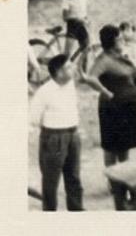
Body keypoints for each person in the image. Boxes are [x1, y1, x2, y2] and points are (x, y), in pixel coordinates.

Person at [83, 24, 136, 209]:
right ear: (112, 41)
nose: (122, 40)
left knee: (125, 146)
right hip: (113, 109)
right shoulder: (104, 59)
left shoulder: (120, 56)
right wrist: (105, 91)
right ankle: (114, 185)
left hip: (127, 107)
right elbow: (90, 77)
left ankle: (125, 180)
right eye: (119, 38)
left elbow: (134, 74)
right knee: (112, 147)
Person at [31, 54, 85, 211]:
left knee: (74, 178)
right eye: (69, 67)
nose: (73, 69)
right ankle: (50, 214)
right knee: (51, 181)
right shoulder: (44, 92)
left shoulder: (70, 85)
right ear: (59, 72)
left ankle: (76, 211)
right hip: (54, 138)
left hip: (73, 135)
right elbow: (34, 118)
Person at [59, 0, 90, 67]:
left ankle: (83, 71)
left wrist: (85, 18)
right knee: (67, 54)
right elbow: (65, 17)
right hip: (73, 25)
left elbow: (85, 6)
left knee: (86, 48)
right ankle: (61, 67)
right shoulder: (66, 0)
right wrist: (78, 18)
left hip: (83, 24)